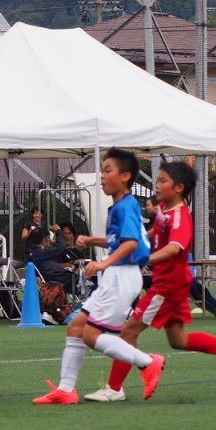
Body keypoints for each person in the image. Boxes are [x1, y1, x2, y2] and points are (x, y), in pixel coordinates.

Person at [86, 160, 216, 402]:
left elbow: (175, 248)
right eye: (157, 180)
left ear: (178, 187)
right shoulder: (165, 213)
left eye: (162, 181)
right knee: (179, 340)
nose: (157, 185)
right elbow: (149, 236)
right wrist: (115, 243)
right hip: (173, 284)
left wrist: (143, 258)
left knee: (128, 331)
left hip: (167, 285)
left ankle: (114, 389)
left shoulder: (179, 217)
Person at [33, 148, 164, 405]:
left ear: (125, 176)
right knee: (75, 328)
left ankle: (149, 362)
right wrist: (94, 240)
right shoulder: (123, 206)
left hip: (121, 276)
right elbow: (124, 241)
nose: (102, 177)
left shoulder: (124, 206)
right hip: (119, 274)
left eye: (107, 170)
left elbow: (130, 245)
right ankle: (66, 390)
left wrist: (103, 263)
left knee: (89, 335)